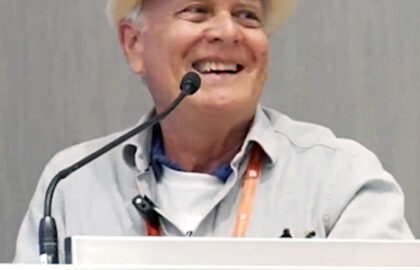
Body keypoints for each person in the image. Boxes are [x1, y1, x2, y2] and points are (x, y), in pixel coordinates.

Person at [14, 0, 413, 263]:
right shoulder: (72, 184)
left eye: (247, 14)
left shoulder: (341, 182)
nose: (228, 31)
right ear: (134, 44)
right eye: (197, 10)